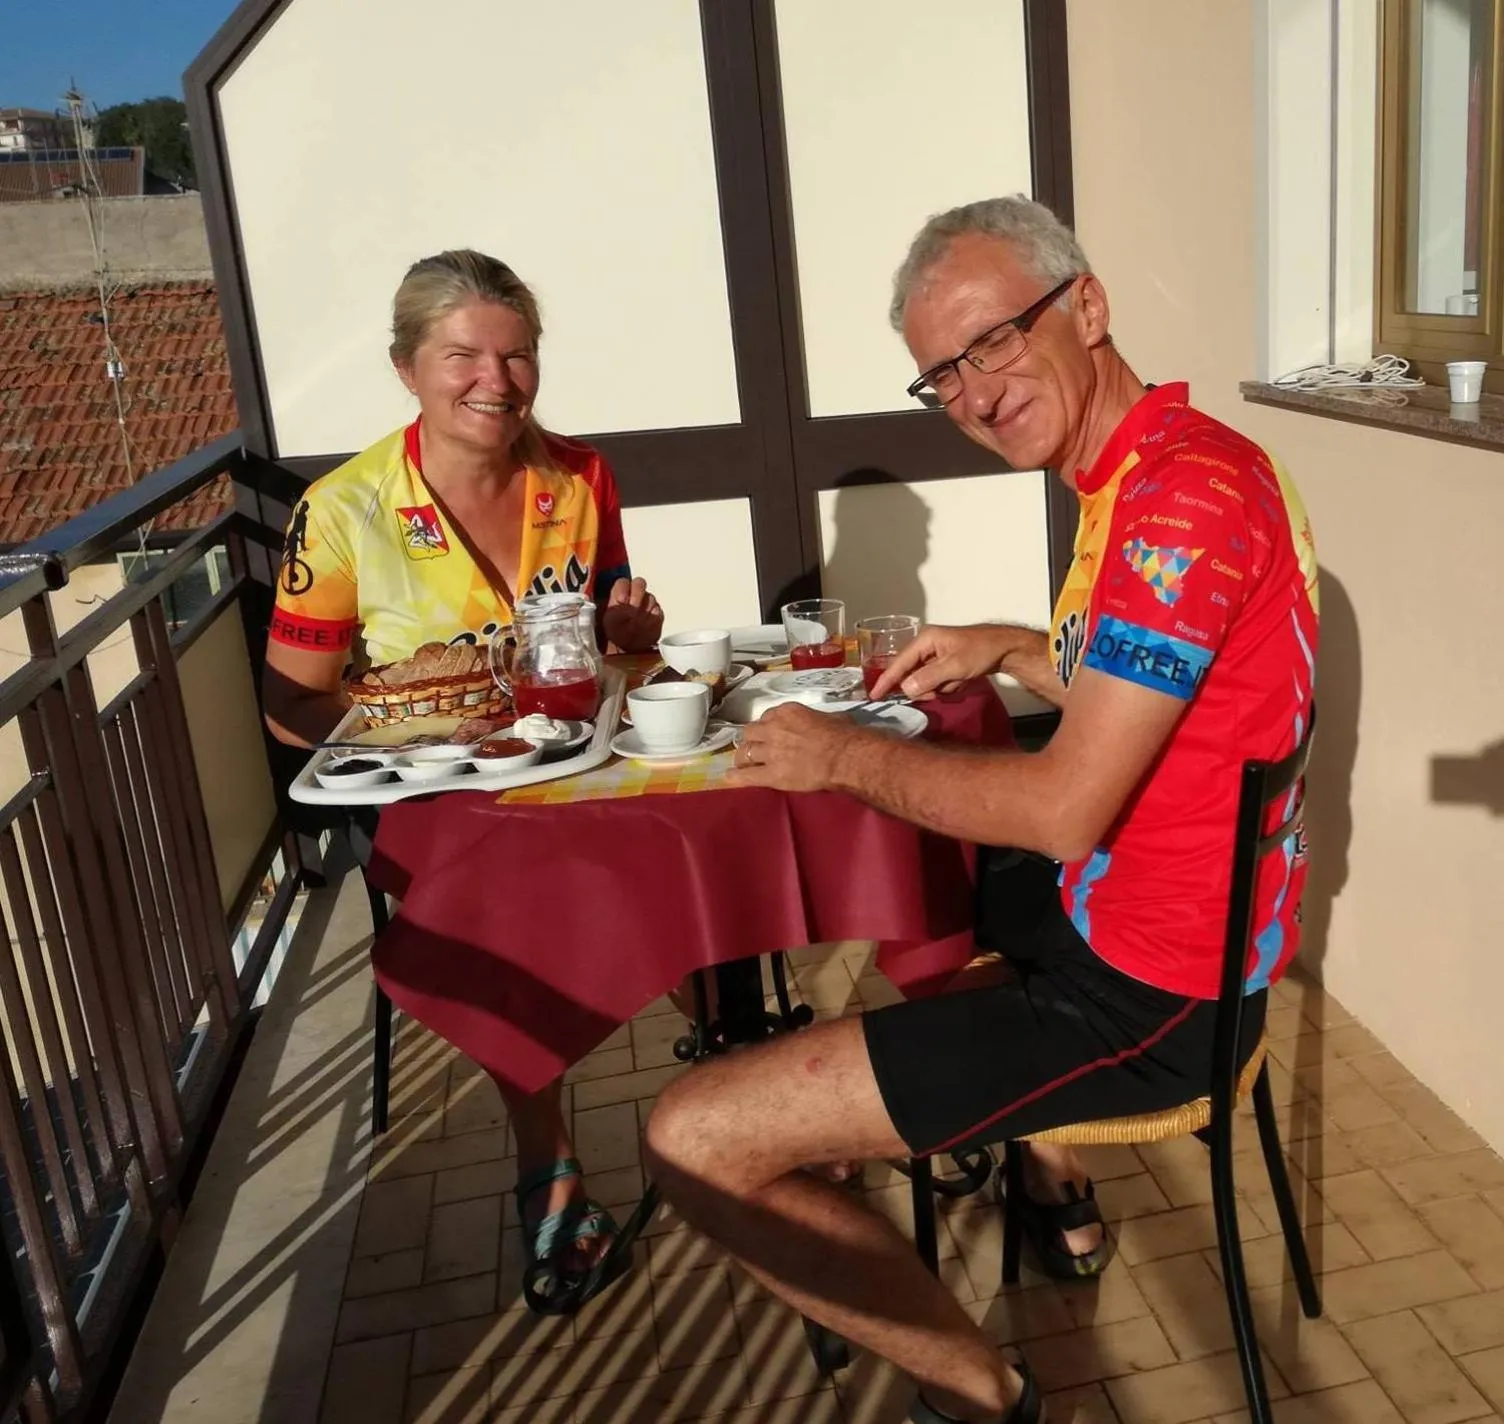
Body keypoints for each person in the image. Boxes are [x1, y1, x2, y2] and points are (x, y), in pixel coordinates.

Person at [644, 196, 1319, 1423]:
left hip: (1156, 993)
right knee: (923, 908)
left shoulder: (1176, 506)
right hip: (1143, 924)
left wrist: (839, 755)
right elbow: (1154, 699)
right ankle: (989, 1165)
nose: (972, 391)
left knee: (697, 1134)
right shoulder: (1160, 464)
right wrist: (1010, 645)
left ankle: (978, 1392)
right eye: (940, 374)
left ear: (1087, 305)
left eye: (993, 339)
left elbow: (1063, 807)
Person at [263, 249, 664, 1313]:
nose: (496, 379)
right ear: (407, 368)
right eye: (462, 357)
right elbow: (289, 704)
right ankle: (548, 1156)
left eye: (517, 354)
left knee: (691, 824)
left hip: (577, 759)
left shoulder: (579, 476)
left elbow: (610, 624)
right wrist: (423, 739)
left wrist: (630, 630)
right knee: (506, 892)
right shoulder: (342, 510)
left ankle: (730, 1068)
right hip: (432, 795)